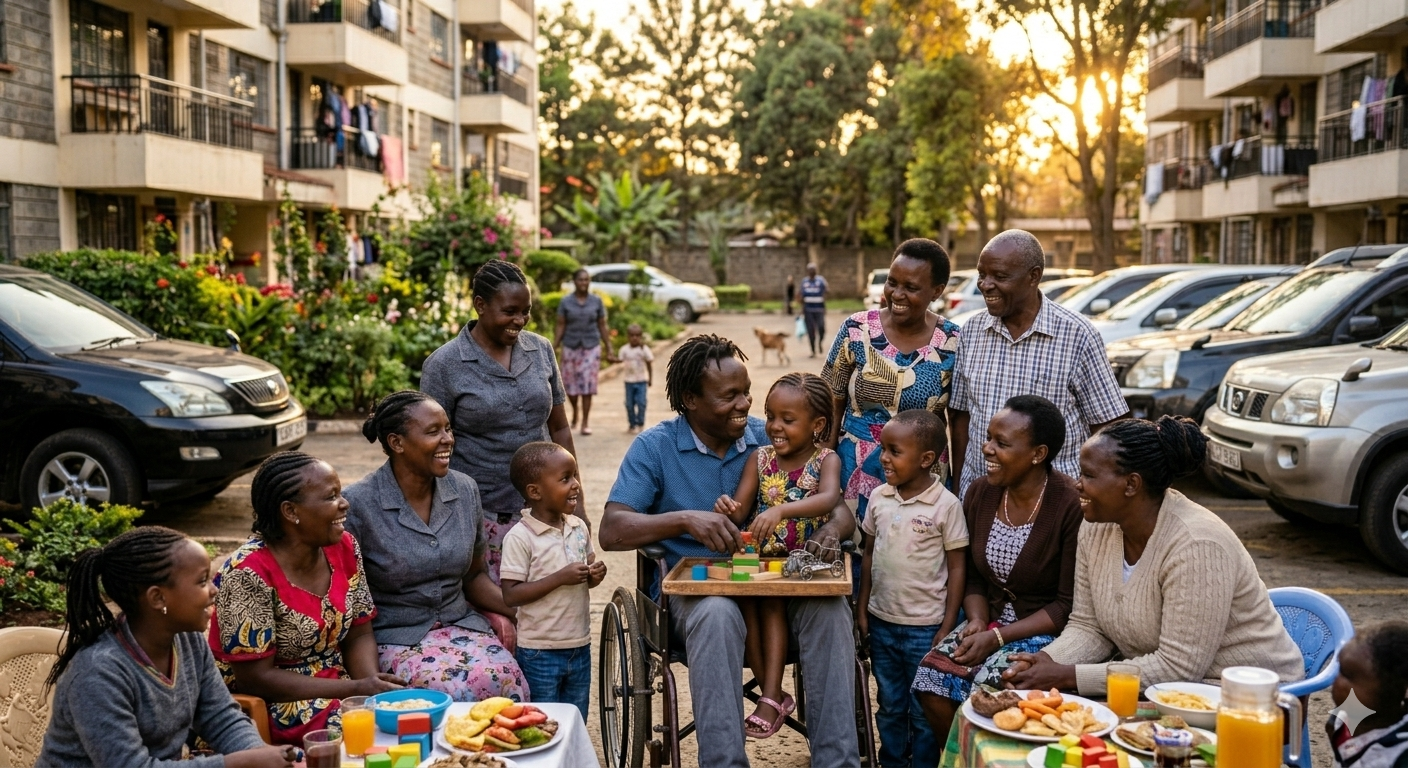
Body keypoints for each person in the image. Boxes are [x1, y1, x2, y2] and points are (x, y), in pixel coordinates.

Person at [600, 334, 861, 768]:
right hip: (700, 592)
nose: (744, 405)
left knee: (831, 609)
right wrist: (684, 519)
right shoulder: (656, 447)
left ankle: (837, 762)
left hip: (775, 584)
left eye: (746, 394)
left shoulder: (772, 436)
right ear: (690, 400)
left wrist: (833, 527)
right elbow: (612, 530)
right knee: (718, 613)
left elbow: (838, 509)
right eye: (729, 396)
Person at [1003, 416, 1303, 694]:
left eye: (1089, 475)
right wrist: (1044, 662)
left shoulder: (1197, 544)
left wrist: (1068, 676)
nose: (1077, 483)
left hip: (1247, 694)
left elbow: (1179, 667)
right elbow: (1089, 627)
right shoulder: (1096, 527)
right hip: (1168, 687)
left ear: (1131, 484)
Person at [38, 526, 295, 768]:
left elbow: (221, 718)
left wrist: (259, 755)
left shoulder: (186, 640)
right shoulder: (98, 673)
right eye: (202, 581)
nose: (213, 590)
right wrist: (235, 763)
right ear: (158, 598)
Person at [912, 395, 1081, 741]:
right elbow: (974, 575)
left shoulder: (1068, 505)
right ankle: (962, 759)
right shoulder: (981, 493)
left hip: (1042, 630)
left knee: (992, 685)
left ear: (1038, 454)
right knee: (929, 679)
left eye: (1001, 443)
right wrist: (975, 619)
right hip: (987, 622)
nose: (987, 449)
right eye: (988, 437)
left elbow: (1066, 605)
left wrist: (999, 637)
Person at [343, 391, 529, 702]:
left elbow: (473, 577)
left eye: (447, 428)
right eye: (433, 432)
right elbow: (351, 608)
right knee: (447, 690)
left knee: (506, 682)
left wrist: (525, 611)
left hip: (462, 626)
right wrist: (367, 682)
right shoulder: (359, 504)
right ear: (396, 443)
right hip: (397, 637)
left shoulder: (464, 489)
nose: (447, 440)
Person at [208, 452, 404, 745]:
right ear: (290, 511)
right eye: (330, 497)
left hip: (337, 686)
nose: (344, 503)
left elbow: (359, 633)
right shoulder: (247, 573)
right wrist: (355, 691)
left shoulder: (343, 546)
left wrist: (371, 694)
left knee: (400, 716)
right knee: (370, 736)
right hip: (276, 700)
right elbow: (256, 678)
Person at [422, 259, 581, 582]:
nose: (519, 320)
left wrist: (576, 505)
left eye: (526, 311)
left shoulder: (540, 350)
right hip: (481, 514)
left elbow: (560, 427)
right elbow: (430, 447)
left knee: (552, 609)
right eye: (510, 311)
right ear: (480, 305)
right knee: (501, 611)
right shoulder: (445, 365)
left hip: (544, 510)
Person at [948, 229, 1127, 499]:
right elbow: (961, 417)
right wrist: (961, 490)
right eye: (982, 275)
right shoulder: (971, 331)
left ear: (1034, 276)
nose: (985, 285)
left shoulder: (1077, 335)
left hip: (1051, 501)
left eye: (1000, 276)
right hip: (983, 494)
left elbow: (1108, 426)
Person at [713, 372, 841, 739]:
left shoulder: (825, 460)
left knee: (767, 600)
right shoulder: (761, 457)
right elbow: (740, 512)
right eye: (770, 416)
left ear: (817, 425)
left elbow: (829, 498)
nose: (774, 427)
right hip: (763, 560)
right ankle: (772, 693)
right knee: (749, 601)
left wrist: (782, 510)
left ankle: (770, 695)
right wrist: (726, 507)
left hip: (802, 564)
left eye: (788, 419)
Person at [823, 238, 960, 525]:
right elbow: (831, 401)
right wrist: (824, 466)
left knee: (917, 555)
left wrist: (959, 483)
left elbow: (958, 420)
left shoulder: (953, 342)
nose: (896, 294)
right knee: (856, 555)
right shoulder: (856, 329)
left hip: (925, 473)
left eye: (911, 287)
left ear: (937, 291)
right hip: (856, 467)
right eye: (892, 282)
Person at [858, 410, 968, 768]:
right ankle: (891, 761)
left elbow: (956, 566)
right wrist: (862, 610)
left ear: (926, 460)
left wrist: (947, 625)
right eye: (883, 449)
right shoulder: (878, 497)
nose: (883, 458)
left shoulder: (946, 506)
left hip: (926, 628)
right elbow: (869, 553)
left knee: (922, 710)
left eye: (893, 451)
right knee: (889, 704)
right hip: (882, 622)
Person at [500, 441, 607, 722]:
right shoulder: (520, 537)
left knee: (574, 720)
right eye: (565, 479)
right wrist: (560, 578)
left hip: (579, 644)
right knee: (544, 721)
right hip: (539, 651)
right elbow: (511, 594)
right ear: (535, 492)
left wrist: (593, 576)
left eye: (575, 476)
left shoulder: (577, 527)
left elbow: (583, 577)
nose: (575, 485)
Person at [1327, 621, 1408, 768]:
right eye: (1340, 670)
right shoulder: (1340, 720)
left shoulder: (1400, 754)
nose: (1338, 682)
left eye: (1349, 675)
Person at [554, 268, 617, 435]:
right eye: (581, 280)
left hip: (591, 347)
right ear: (574, 282)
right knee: (570, 387)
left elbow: (602, 325)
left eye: (587, 280)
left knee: (587, 387)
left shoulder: (596, 301)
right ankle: (575, 411)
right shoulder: (566, 302)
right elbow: (561, 325)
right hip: (570, 347)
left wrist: (609, 347)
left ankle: (585, 422)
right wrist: (555, 345)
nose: (584, 283)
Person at [619, 323, 654, 433]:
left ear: (640, 336)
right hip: (629, 381)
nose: (635, 338)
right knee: (629, 404)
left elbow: (649, 363)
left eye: (637, 335)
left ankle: (640, 423)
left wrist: (650, 378)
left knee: (641, 403)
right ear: (628, 336)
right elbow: (619, 360)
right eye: (632, 335)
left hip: (641, 381)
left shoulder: (644, 349)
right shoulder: (624, 350)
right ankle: (632, 424)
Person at [800, 263, 829, 357]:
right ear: (808, 271)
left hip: (819, 309)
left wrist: (824, 297)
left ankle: (820, 343)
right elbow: (800, 295)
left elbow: (827, 290)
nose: (812, 271)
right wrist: (801, 307)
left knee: (821, 328)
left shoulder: (821, 280)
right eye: (810, 269)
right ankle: (813, 351)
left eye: (814, 269)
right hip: (808, 310)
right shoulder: (804, 282)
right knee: (811, 331)